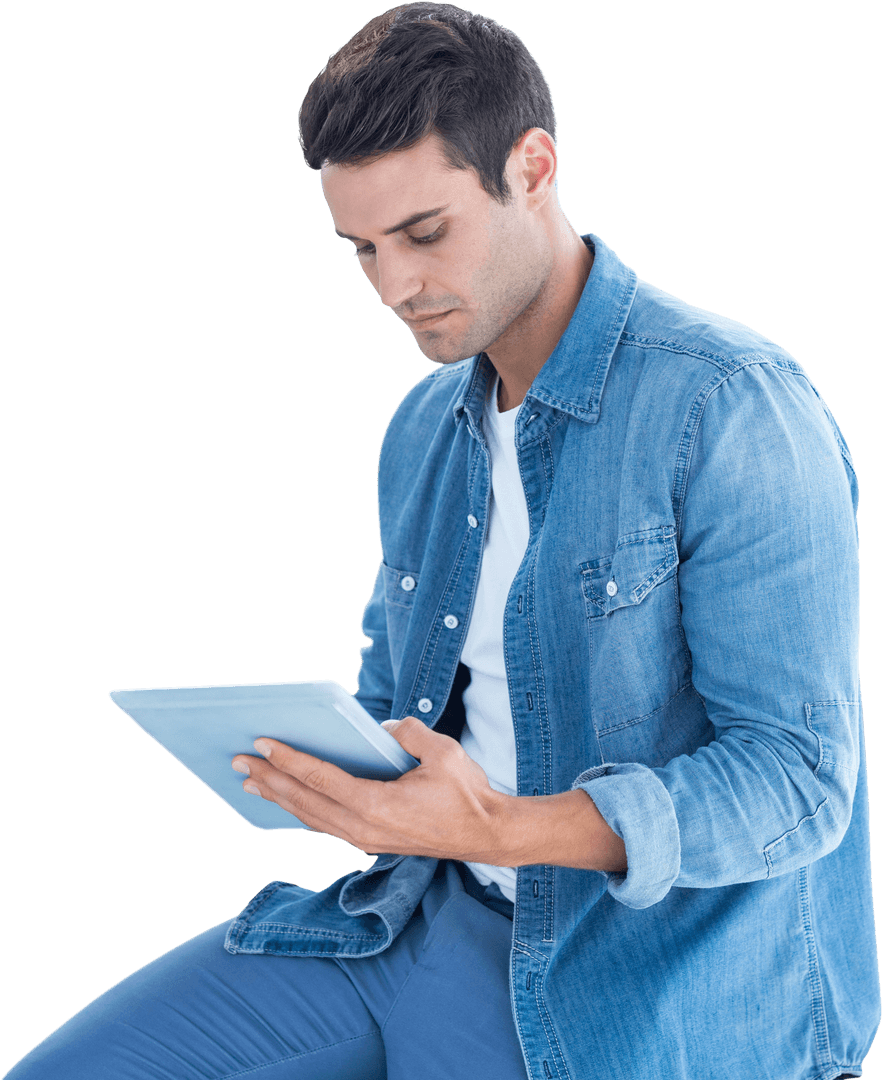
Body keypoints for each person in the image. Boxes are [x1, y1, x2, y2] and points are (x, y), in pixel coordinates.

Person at [6, 4, 879, 1078]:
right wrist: (347, 774)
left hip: (636, 982)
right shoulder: (426, 427)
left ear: (534, 166)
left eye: (424, 234)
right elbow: (401, 696)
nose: (393, 286)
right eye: (362, 249)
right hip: (416, 914)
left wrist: (499, 827)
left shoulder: (732, 405)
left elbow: (798, 784)